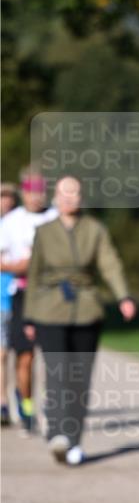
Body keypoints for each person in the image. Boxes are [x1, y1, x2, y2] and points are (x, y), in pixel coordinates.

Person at [22, 176, 136, 465]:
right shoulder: (44, 231)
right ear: (56, 198)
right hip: (49, 309)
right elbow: (34, 275)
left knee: (80, 378)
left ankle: (73, 440)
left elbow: (110, 264)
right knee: (58, 372)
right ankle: (58, 431)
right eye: (64, 194)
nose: (70, 199)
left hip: (86, 308)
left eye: (75, 193)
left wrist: (123, 296)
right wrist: (30, 316)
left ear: (82, 197)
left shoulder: (95, 229)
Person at [0, 168, 57, 434]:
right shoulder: (11, 221)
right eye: (32, 192)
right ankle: (26, 404)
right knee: (25, 356)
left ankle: (55, 404)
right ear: (24, 193)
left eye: (40, 192)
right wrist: (22, 265)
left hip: (53, 295)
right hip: (23, 294)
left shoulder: (55, 216)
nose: (36, 197)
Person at [0, 182, 19, 425]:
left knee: (24, 356)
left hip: (22, 296)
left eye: (8, 197)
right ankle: (3, 403)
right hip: (1, 299)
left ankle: (24, 397)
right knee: (2, 354)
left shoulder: (22, 226)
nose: (5, 201)